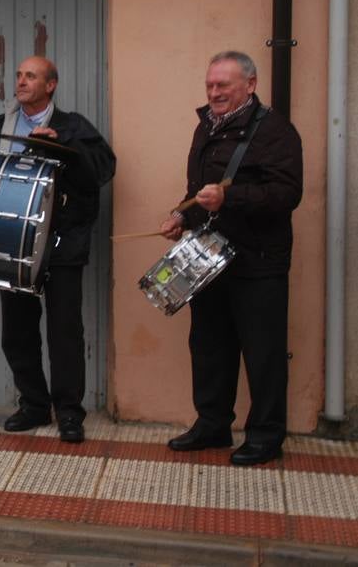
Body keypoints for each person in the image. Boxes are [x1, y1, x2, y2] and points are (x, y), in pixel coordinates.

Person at [157, 51, 302, 467]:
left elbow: (286, 194)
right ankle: (213, 423)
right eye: (210, 85)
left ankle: (266, 435)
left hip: (258, 261)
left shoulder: (275, 130)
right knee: (208, 346)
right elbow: (198, 188)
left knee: (263, 352)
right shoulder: (207, 125)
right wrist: (181, 216)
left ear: (250, 85)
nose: (214, 92)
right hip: (209, 258)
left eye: (223, 85)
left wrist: (230, 196)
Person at [0, 56, 114, 444]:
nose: (21, 81)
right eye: (18, 75)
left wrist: (64, 146)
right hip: (11, 242)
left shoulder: (73, 126)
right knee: (17, 331)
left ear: (51, 85)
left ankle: (68, 412)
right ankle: (33, 404)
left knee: (65, 331)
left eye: (31, 76)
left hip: (63, 243)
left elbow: (102, 170)